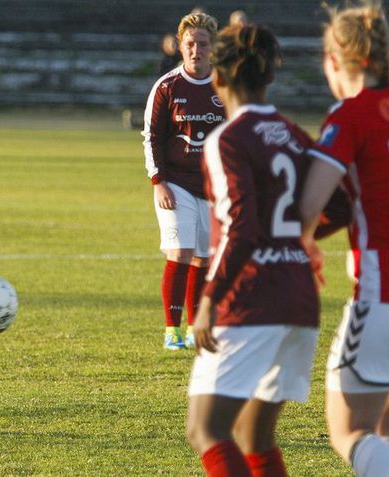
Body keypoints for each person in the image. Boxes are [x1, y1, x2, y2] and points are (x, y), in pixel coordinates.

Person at [186, 24, 320, 476]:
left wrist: (208, 299)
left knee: (205, 429)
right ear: (269, 77)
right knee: (254, 435)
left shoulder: (227, 139)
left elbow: (241, 226)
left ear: (218, 79)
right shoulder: (294, 135)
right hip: (300, 299)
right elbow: (336, 201)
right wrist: (299, 241)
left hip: (251, 301)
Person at [300, 3, 389, 475]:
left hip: (381, 300)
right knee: (384, 430)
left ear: (337, 60)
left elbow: (310, 203)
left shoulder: (351, 115)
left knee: (346, 430)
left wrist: (305, 238)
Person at [141, 12, 224, 350]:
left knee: (204, 258)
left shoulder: (225, 85)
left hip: (213, 187)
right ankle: (171, 330)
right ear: (180, 46)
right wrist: (158, 180)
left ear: (212, 47)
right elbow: (151, 136)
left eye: (202, 44)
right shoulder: (166, 87)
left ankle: (195, 328)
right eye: (190, 44)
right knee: (181, 251)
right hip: (174, 184)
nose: (195, 50)